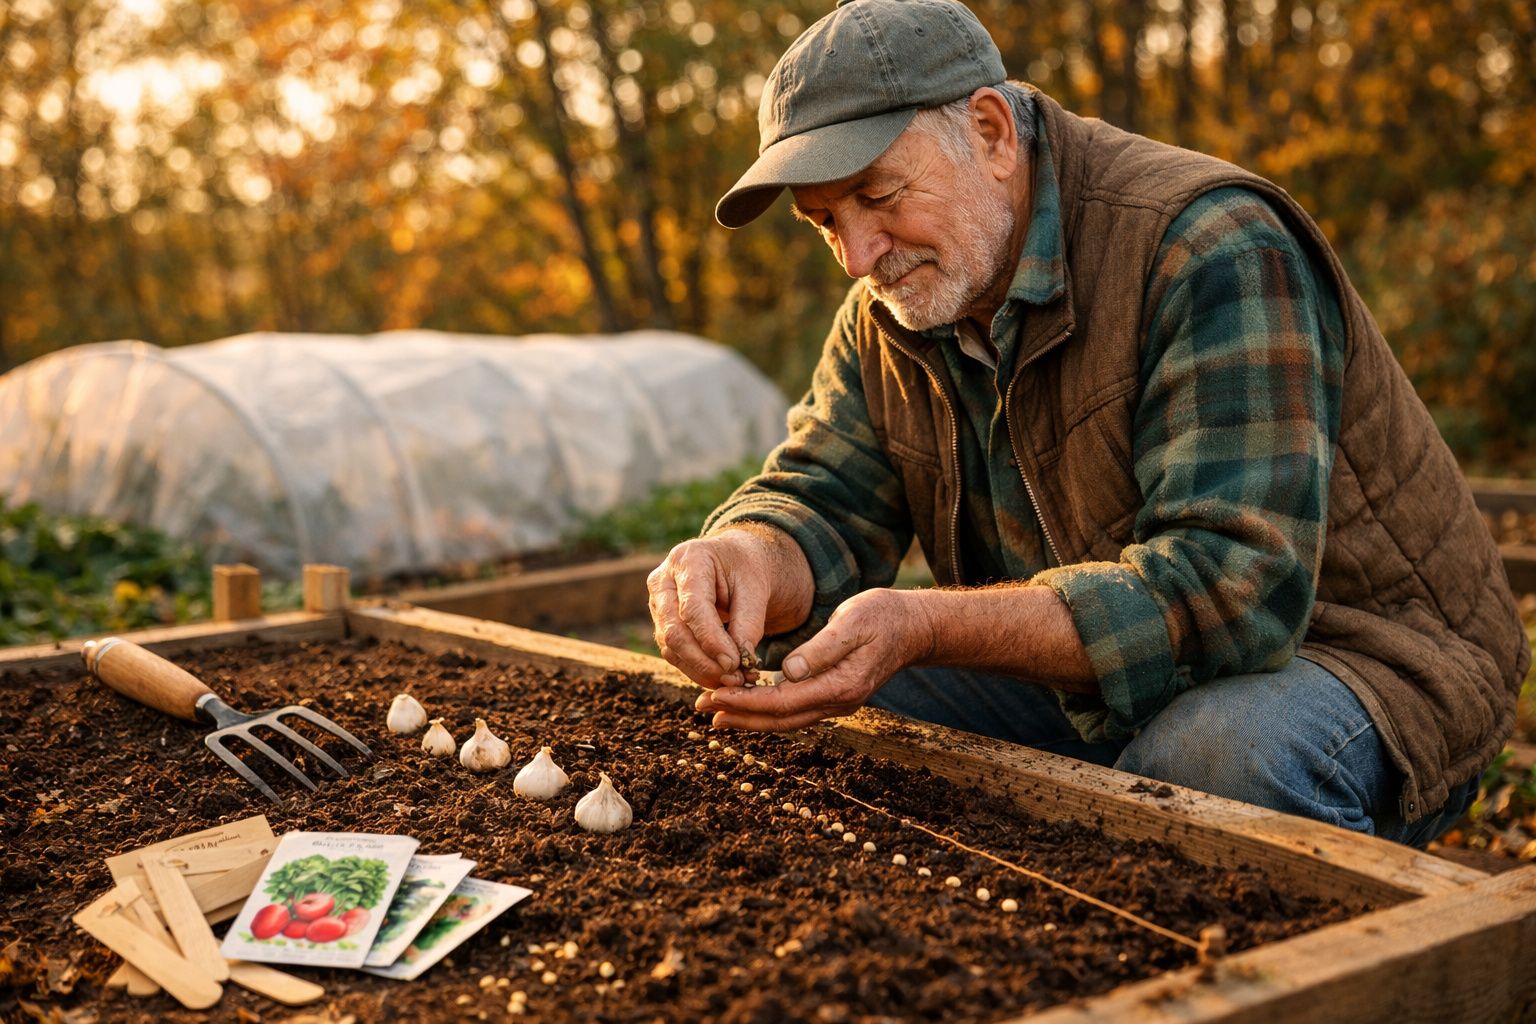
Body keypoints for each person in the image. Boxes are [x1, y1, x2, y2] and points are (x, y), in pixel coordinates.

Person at [646, 0, 1530, 846]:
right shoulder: (896, 305)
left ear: (990, 132)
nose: (857, 255)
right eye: (824, 221)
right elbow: (828, 492)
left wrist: (925, 622)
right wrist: (746, 555)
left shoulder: (1209, 246)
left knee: (1209, 764)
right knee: (816, 692)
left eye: (878, 195)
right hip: (1097, 671)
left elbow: (1231, 594)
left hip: (1353, 659)